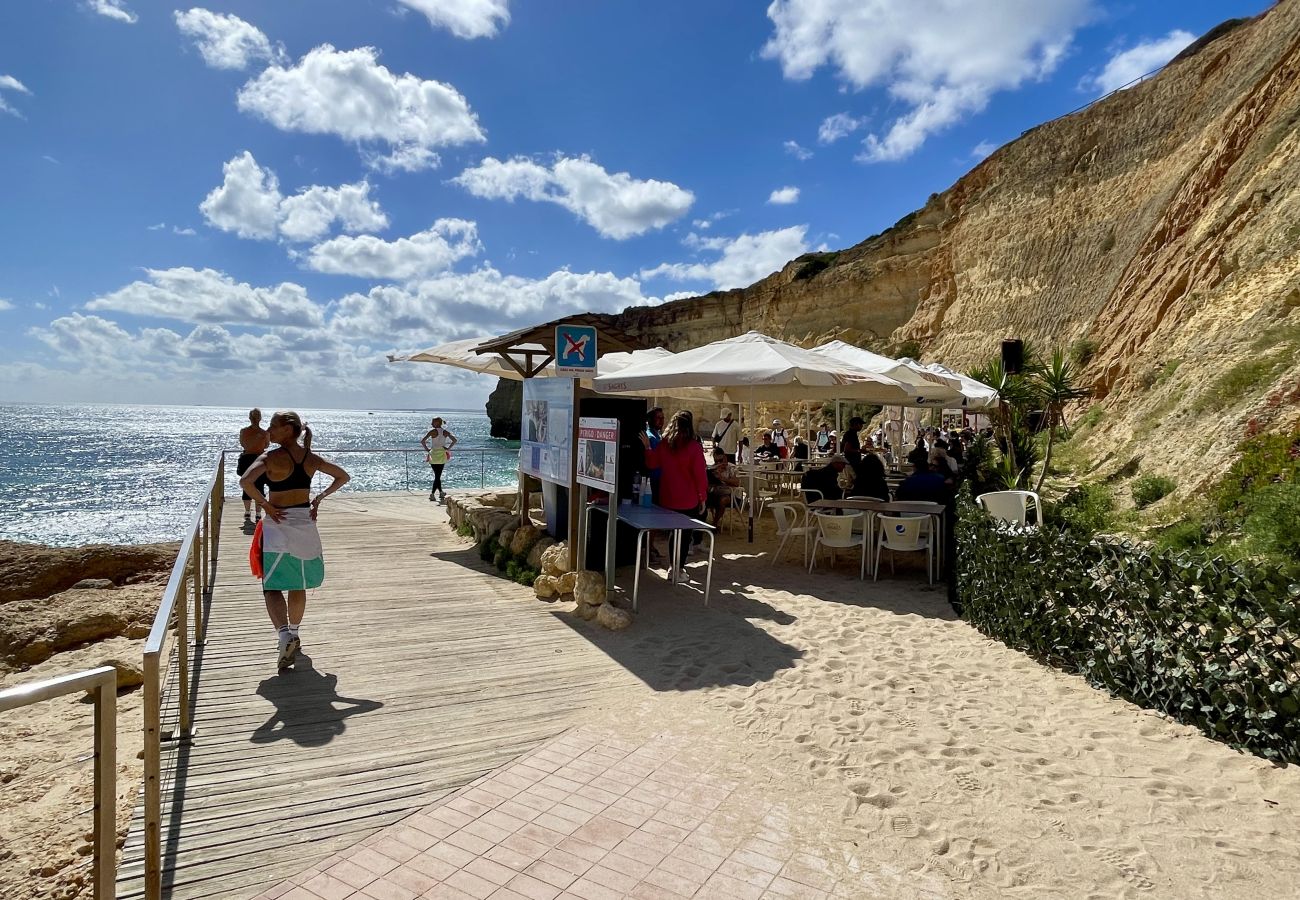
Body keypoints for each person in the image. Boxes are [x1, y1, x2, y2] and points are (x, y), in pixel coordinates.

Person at [240, 412, 350, 671]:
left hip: (278, 526)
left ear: (288, 430)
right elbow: (343, 476)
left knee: (272, 586)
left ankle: (284, 635)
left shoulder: (270, 458)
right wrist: (319, 498)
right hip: (304, 522)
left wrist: (265, 505)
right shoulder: (311, 459)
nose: (269, 430)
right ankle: (295, 632)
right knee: (297, 583)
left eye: (273, 426)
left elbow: (246, 481)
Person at [640, 410, 708, 582]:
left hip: (668, 497)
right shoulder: (694, 446)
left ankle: (673, 568)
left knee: (673, 533)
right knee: (684, 535)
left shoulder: (664, 444)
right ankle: (677, 569)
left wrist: (648, 447)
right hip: (688, 499)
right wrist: (702, 497)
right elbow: (700, 475)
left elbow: (652, 463)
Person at [237, 408, 271, 527]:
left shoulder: (244, 432)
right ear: (260, 418)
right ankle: (258, 513)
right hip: (259, 460)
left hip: (246, 459)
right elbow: (267, 445)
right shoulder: (265, 433)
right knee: (259, 486)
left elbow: (242, 444)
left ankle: (247, 511)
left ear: (249, 418)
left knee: (246, 486)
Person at [420, 416, 458, 502]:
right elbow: (455, 440)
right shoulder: (445, 432)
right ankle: (440, 492)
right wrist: (448, 448)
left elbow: (422, 441)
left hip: (433, 454)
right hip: (441, 454)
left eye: (433, 422)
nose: (431, 424)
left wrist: (427, 449)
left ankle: (433, 494)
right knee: (438, 475)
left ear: (437, 423)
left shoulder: (432, 432)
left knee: (437, 475)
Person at [705, 447, 740, 527]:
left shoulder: (732, 468)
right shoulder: (713, 468)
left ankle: (715, 523)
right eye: (716, 461)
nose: (718, 463)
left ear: (725, 457)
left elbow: (736, 483)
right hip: (715, 492)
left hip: (731, 494)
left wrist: (722, 478)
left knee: (723, 500)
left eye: (720, 460)